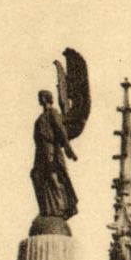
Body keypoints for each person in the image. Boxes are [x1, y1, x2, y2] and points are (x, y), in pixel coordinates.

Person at [31, 89, 78, 219]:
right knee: (36, 176)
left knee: (53, 177)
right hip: (41, 151)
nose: (39, 99)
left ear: (45, 99)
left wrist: (68, 148)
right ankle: (47, 208)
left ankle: (60, 206)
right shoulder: (40, 118)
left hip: (51, 150)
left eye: (40, 97)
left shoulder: (53, 113)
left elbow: (61, 130)